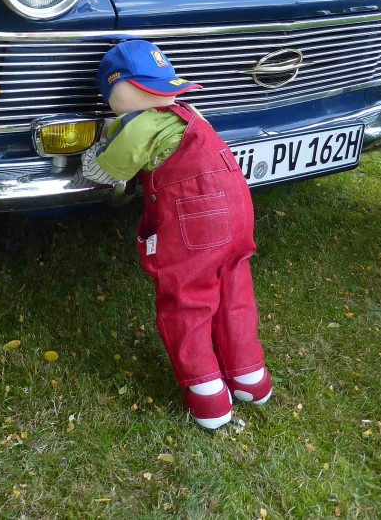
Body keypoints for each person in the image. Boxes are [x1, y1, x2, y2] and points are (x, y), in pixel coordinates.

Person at [79, 40, 272, 430]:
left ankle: (209, 399)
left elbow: (102, 172)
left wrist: (100, 141)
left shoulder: (140, 123)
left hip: (200, 217)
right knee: (233, 287)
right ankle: (252, 379)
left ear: (118, 91)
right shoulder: (188, 112)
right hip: (238, 205)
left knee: (188, 298)